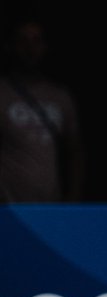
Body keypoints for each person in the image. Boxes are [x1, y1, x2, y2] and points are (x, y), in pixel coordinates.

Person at [0, 20, 84, 202]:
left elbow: (74, 152)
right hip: (9, 208)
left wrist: (73, 198)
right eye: (23, 40)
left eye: (36, 40)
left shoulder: (60, 97)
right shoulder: (3, 93)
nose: (30, 48)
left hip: (50, 206)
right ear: (11, 46)